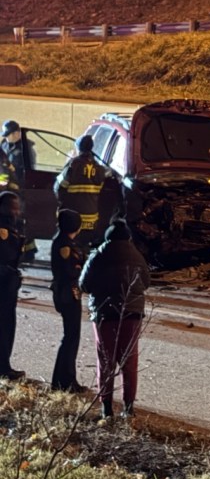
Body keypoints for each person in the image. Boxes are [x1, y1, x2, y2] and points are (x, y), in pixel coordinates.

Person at [79, 219, 150, 418]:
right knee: (129, 361)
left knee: (105, 361)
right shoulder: (137, 256)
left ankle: (106, 408)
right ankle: (128, 408)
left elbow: (84, 284)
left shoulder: (98, 255)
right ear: (128, 237)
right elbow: (146, 283)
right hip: (131, 315)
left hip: (105, 314)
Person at [50, 209, 87, 393]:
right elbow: (72, 270)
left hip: (66, 292)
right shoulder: (66, 245)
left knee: (71, 337)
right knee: (71, 337)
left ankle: (63, 379)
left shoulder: (63, 241)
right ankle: (65, 380)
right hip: (68, 293)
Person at [54, 135, 111, 251]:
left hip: (73, 217)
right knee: (85, 247)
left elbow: (58, 187)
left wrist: (62, 203)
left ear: (78, 148)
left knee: (69, 246)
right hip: (91, 219)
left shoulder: (73, 165)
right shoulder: (100, 169)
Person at [1, 121, 37, 262]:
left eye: (9, 135)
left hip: (19, 189)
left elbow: (27, 171)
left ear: (16, 133)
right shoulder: (5, 145)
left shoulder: (26, 149)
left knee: (20, 220)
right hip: (8, 189)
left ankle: (27, 251)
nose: (7, 138)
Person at [0, 191, 25, 380]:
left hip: (8, 281)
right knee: (5, 325)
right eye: (13, 208)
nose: (16, 211)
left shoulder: (11, 226)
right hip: (4, 283)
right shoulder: (3, 229)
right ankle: (3, 367)